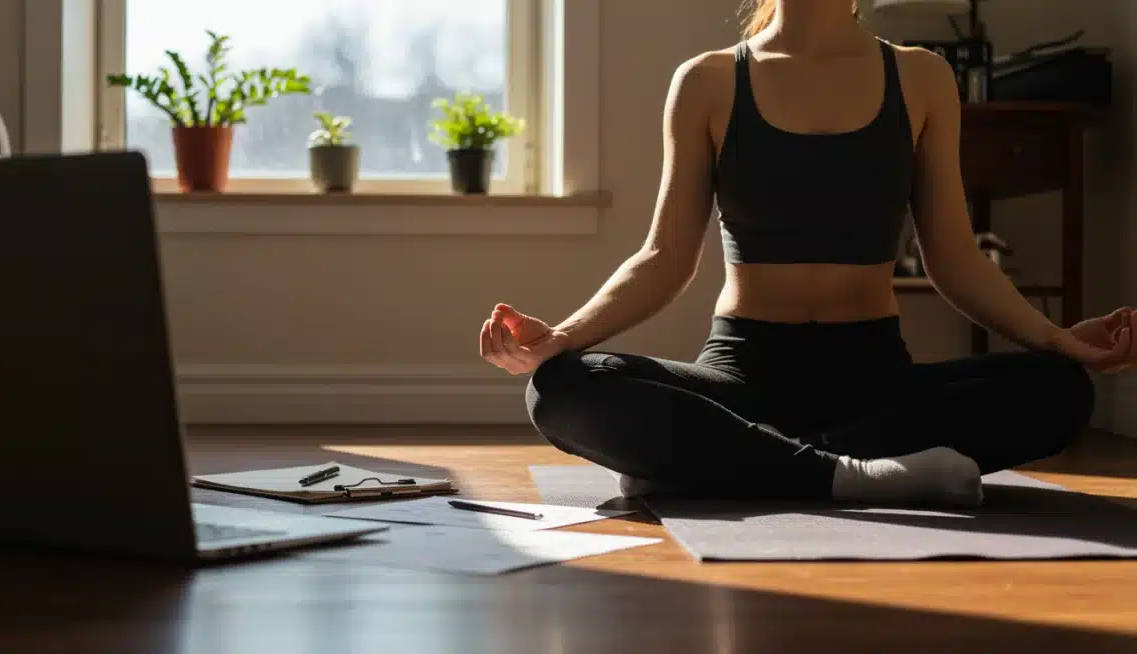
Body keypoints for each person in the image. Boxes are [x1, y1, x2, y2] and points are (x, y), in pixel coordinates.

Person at [477, 0, 1135, 508]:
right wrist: (560, 338)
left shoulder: (922, 76)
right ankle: (846, 475)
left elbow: (956, 258)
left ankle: (726, 465)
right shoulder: (708, 80)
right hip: (742, 378)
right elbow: (663, 256)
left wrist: (1058, 340)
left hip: (877, 384)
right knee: (560, 387)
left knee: (1060, 390)